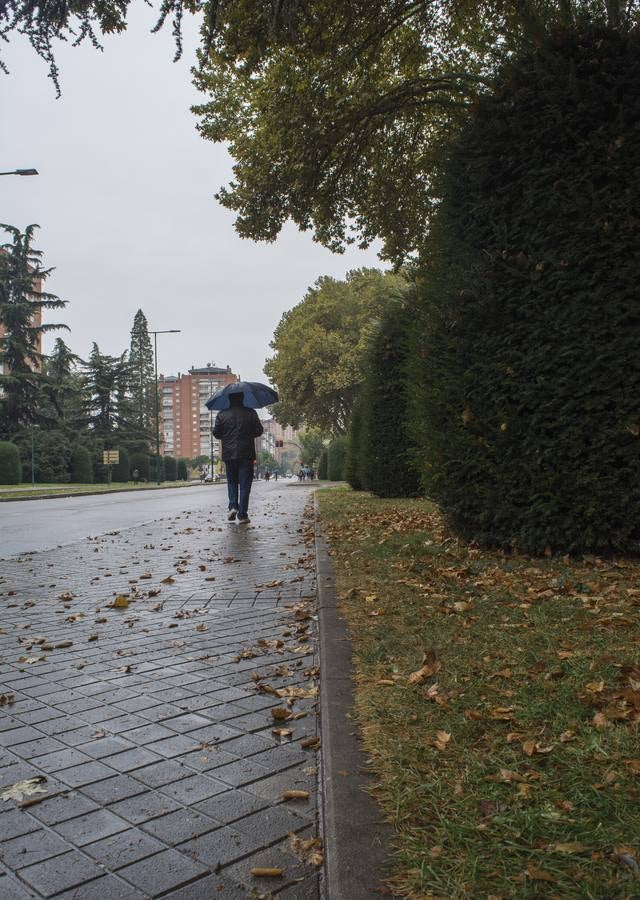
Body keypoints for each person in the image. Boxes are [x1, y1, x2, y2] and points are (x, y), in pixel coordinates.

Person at [212, 392, 264, 523]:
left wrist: (227, 435)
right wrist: (248, 433)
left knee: (232, 481)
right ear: (243, 399)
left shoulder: (222, 414)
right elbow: (259, 431)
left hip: (229, 454)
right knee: (245, 485)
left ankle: (233, 506)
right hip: (246, 454)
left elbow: (216, 433)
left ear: (229, 400)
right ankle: (242, 515)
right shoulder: (250, 413)